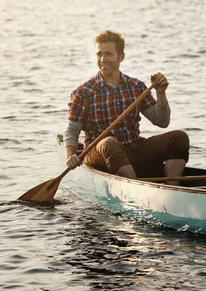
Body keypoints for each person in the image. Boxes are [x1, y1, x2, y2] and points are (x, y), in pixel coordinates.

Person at [63, 30, 189, 185]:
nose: (103, 59)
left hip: (133, 149)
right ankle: (137, 189)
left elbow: (162, 121)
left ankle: (172, 188)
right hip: (98, 154)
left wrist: (161, 93)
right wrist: (70, 156)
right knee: (109, 142)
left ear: (121, 57)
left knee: (179, 138)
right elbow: (72, 130)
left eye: (108, 54)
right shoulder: (84, 92)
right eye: (99, 54)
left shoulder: (136, 86)